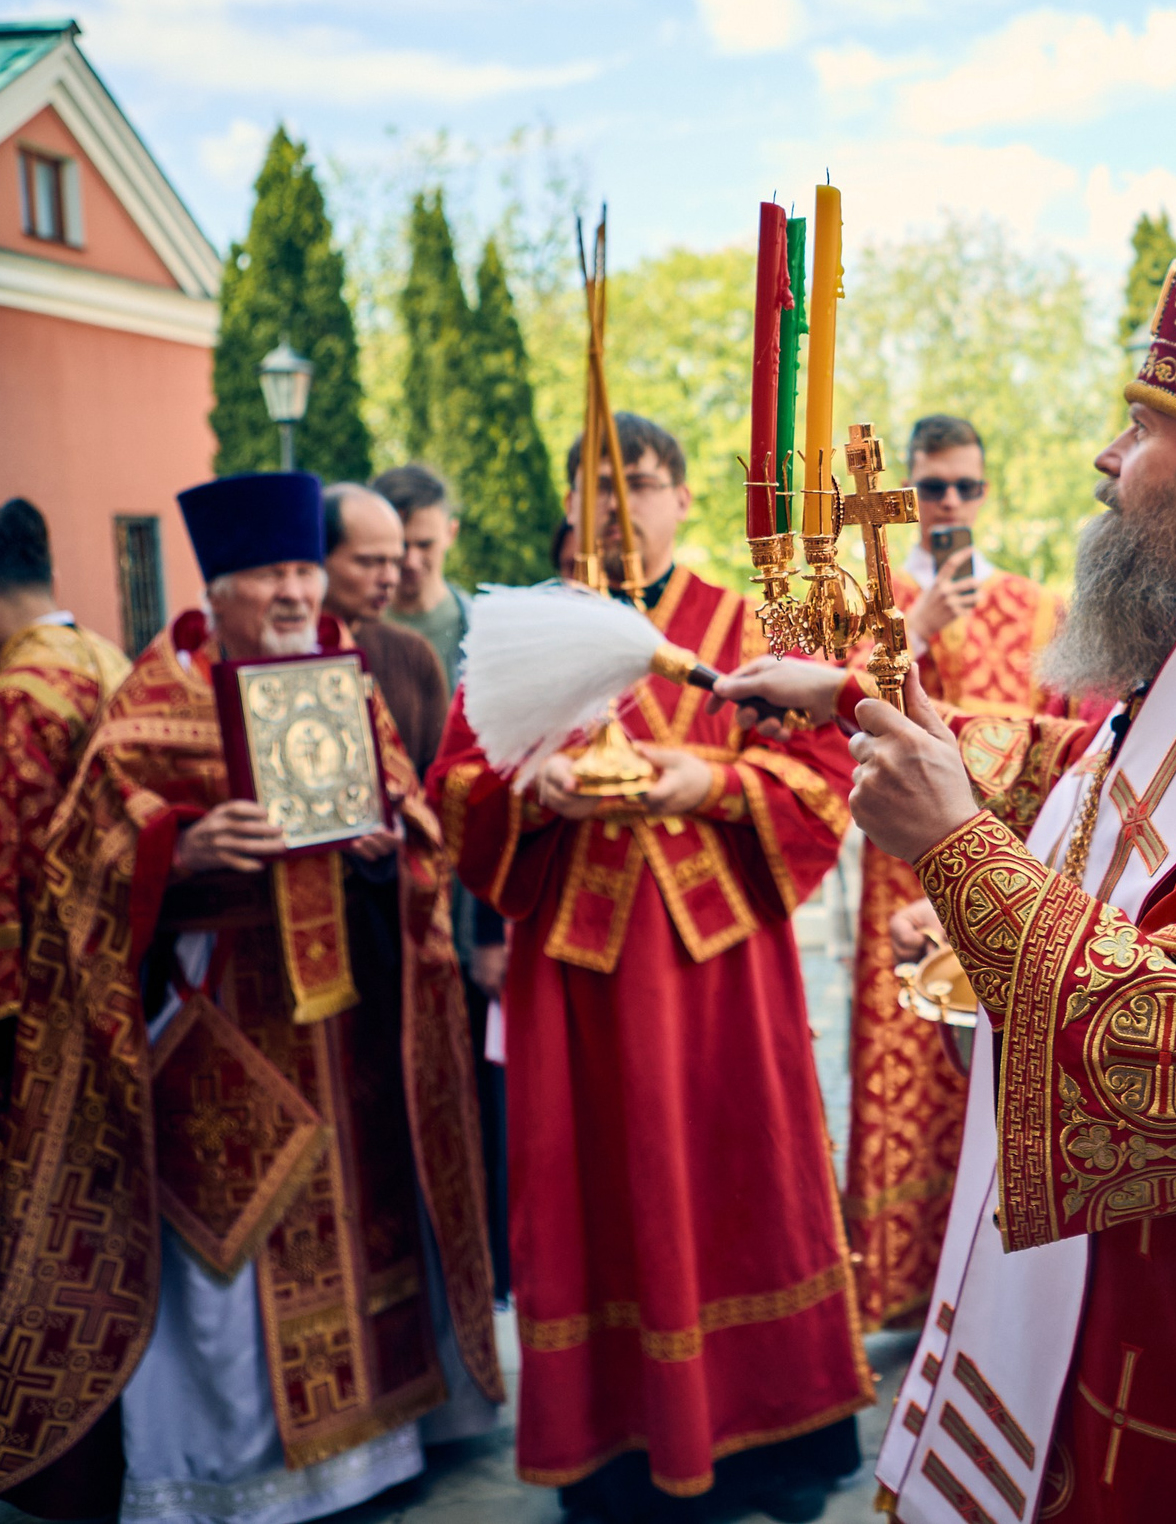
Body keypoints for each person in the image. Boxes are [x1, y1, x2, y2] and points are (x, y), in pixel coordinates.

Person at [721, 217, 1176, 1522]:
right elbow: (1086, 785)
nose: (1107, 458)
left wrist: (955, 850)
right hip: (1117, 1294)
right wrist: (858, 701)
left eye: (1139, 425)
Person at [0, 470, 502, 1523]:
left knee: (363, 1225)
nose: (295, 592)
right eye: (269, 574)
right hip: (219, 1020)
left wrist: (389, 845)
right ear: (218, 587)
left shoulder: (345, 682)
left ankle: (377, 1450)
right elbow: (79, 866)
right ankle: (244, 1484)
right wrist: (181, 850)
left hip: (347, 1022)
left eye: (304, 568)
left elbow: (416, 822)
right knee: (233, 1254)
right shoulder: (153, 699)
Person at [428, 414, 867, 1523]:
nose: (623, 504)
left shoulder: (744, 623)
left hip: (722, 972)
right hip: (579, 981)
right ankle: (616, 1449)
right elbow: (458, 785)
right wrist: (534, 791)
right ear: (571, 500)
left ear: (681, 498)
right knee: (598, 1195)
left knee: (746, 1178)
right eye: (599, 482)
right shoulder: (525, 632)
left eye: (646, 481)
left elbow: (823, 776)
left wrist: (708, 782)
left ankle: (778, 1440)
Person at [844, 412, 1068, 1332]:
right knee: (909, 1075)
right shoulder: (879, 598)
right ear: (908, 494)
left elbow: (1059, 729)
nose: (948, 504)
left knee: (1004, 1070)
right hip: (901, 877)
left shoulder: (1037, 607)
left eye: (964, 488)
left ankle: (1000, 1289)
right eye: (932, 488)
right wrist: (919, 628)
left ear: (984, 492)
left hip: (1000, 866)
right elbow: (841, 708)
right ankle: (905, 1289)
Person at [0, 499, 130, 1382]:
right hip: (126, 983)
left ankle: (45, 1398)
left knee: (36, 1212)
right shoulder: (112, 664)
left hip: (44, 1014)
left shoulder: (11, 705)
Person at [323, 481, 449, 775]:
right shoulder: (277, 651)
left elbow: (439, 778)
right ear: (319, 558)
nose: (390, 578)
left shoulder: (413, 655)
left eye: (395, 562)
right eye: (369, 562)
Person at [376, 463, 469, 685]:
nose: (411, 561)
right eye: (401, 546)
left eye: (425, 545)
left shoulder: (479, 628)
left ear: (451, 533)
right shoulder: (350, 632)